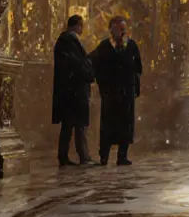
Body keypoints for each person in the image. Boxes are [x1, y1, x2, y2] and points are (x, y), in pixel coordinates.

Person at [90, 16, 143, 166]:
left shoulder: (131, 45)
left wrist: (133, 84)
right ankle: (104, 156)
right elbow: (94, 63)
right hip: (111, 94)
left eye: (124, 29)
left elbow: (138, 67)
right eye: (119, 29)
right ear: (111, 30)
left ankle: (122, 156)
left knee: (126, 125)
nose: (123, 32)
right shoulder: (105, 46)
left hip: (126, 94)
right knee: (108, 126)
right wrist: (103, 84)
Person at [53, 14, 94, 166]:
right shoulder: (68, 40)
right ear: (77, 25)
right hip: (74, 91)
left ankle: (65, 156)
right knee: (78, 125)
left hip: (70, 91)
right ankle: (83, 156)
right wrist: (89, 70)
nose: (82, 29)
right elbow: (77, 63)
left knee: (69, 125)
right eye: (81, 25)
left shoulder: (65, 40)